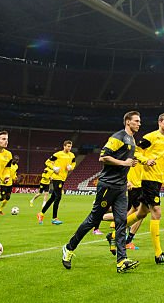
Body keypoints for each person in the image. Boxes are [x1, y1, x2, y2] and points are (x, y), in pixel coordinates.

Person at [60, 112, 141, 274]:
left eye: (140, 121)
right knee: (93, 219)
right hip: (107, 185)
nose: (139, 124)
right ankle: (69, 248)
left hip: (120, 187)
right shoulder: (118, 137)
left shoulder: (132, 139)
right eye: (136, 121)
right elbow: (103, 157)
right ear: (127, 122)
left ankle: (121, 261)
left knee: (121, 221)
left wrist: (127, 174)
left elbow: (124, 162)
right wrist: (124, 162)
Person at [123, 113, 164, 264]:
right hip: (148, 179)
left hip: (160, 179)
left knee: (141, 213)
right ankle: (158, 254)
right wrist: (146, 160)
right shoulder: (150, 137)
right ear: (159, 122)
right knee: (156, 212)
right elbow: (136, 151)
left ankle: (115, 234)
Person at [40, 140, 76, 225]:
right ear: (64, 146)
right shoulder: (58, 154)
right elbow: (47, 162)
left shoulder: (72, 155)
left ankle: (41, 213)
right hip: (57, 178)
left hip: (63, 178)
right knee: (58, 196)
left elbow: (74, 163)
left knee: (53, 197)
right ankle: (54, 218)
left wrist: (71, 167)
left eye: (70, 146)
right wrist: (54, 167)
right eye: (67, 146)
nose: (69, 148)